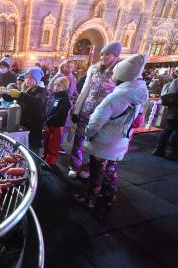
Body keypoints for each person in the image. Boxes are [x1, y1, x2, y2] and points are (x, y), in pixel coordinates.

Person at [74, 54, 148, 208]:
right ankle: (109, 196)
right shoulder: (140, 94)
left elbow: (95, 122)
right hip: (121, 140)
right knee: (112, 170)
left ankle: (90, 200)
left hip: (104, 142)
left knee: (97, 172)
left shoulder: (114, 97)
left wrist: (88, 133)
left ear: (122, 75)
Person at [69, 41, 122, 179]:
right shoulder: (93, 69)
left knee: (96, 143)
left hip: (104, 114)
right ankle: (75, 166)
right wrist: (76, 110)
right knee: (78, 139)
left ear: (116, 56)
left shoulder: (119, 72)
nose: (103, 57)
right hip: (86, 110)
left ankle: (87, 167)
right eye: (102, 54)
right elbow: (85, 90)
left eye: (107, 54)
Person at [8, 67, 47, 153]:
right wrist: (6, 93)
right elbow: (23, 102)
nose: (28, 80)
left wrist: (20, 95)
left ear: (37, 79)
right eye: (26, 77)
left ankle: (36, 166)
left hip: (34, 126)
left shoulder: (41, 90)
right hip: (26, 126)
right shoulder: (28, 89)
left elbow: (37, 101)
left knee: (33, 150)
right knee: (26, 148)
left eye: (31, 77)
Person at [43, 77, 72, 167]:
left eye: (59, 85)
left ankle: (50, 161)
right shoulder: (54, 96)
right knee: (46, 142)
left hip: (56, 126)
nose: (56, 86)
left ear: (65, 87)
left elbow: (60, 114)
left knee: (53, 144)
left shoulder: (65, 100)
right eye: (55, 84)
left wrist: (48, 120)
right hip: (49, 124)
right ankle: (45, 157)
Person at [152, 71, 178, 160]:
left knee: (168, 130)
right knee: (173, 131)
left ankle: (159, 149)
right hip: (174, 109)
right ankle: (172, 152)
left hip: (172, 109)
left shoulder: (176, 81)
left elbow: (170, 94)